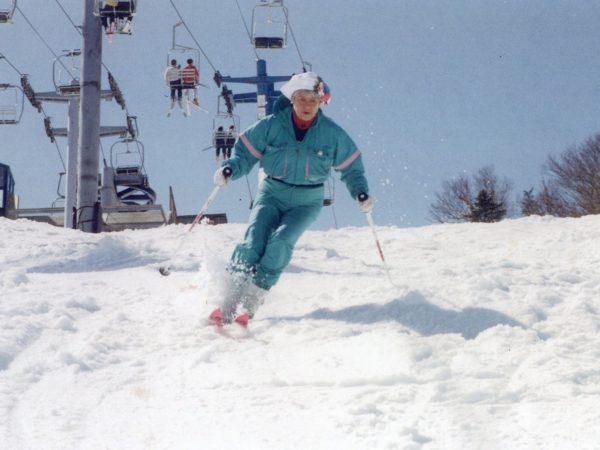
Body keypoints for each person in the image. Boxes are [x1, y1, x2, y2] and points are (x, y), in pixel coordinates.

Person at [209, 71, 373, 326]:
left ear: (320, 103)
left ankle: (251, 300)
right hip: (272, 192)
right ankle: (228, 300)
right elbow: (244, 154)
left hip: (307, 201)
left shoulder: (332, 134)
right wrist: (230, 169)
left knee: (280, 244)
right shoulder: (272, 125)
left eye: (313, 101)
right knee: (253, 243)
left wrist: (360, 193)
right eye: (302, 100)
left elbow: (352, 168)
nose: (307, 106)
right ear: (292, 99)